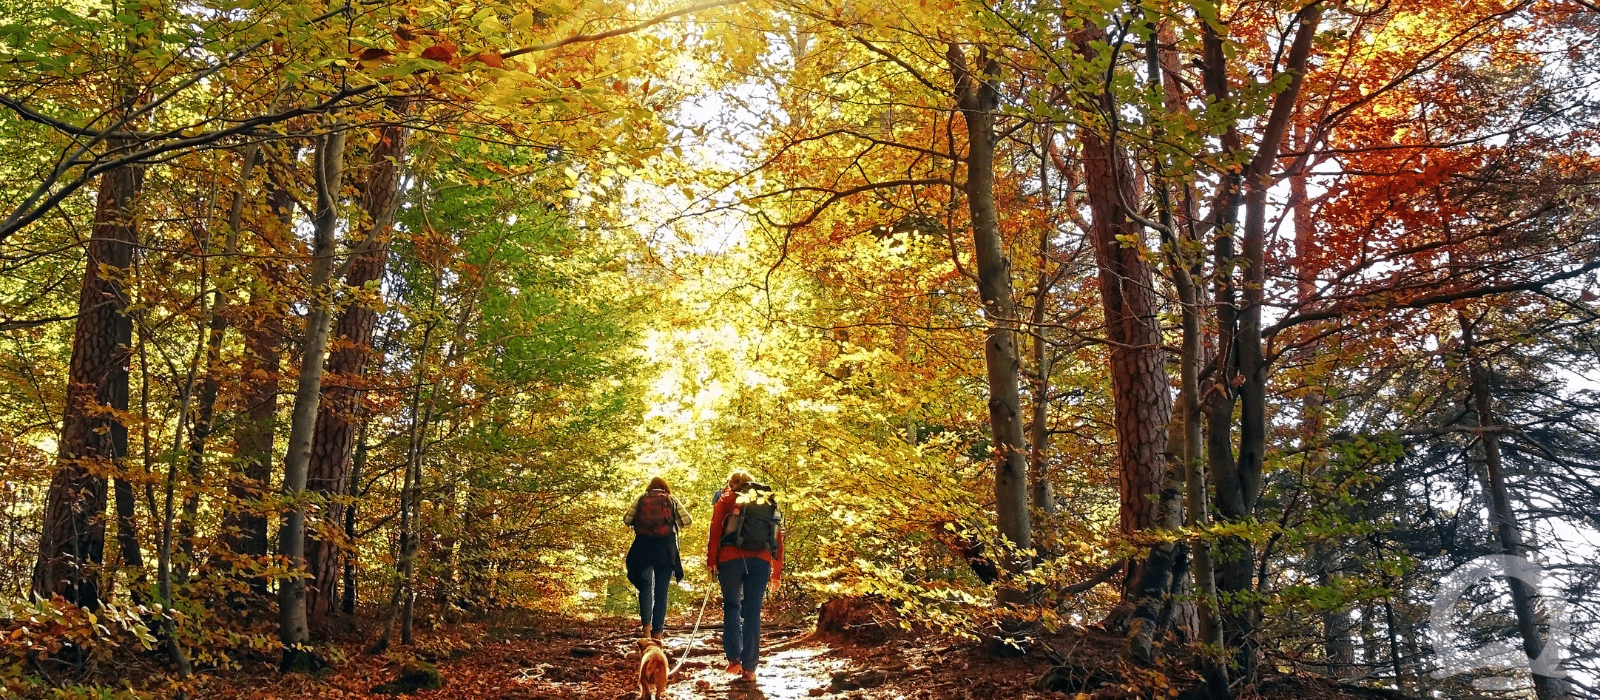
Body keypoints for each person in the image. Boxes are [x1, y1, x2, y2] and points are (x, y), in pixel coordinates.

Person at [707, 470, 784, 682]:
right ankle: (750, 668)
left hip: (730, 559)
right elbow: (777, 535)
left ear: (731, 483)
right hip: (761, 560)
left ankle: (734, 660)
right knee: (753, 611)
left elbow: (715, 531)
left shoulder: (726, 499)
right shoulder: (767, 502)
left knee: (732, 606)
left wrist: (711, 561)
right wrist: (776, 571)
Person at [625, 477, 692, 639]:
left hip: (643, 547)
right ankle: (658, 633)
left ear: (650, 488)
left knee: (646, 585)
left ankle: (646, 626)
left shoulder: (642, 498)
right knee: (662, 591)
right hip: (665, 548)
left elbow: (627, 519)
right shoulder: (671, 499)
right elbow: (687, 521)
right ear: (665, 488)